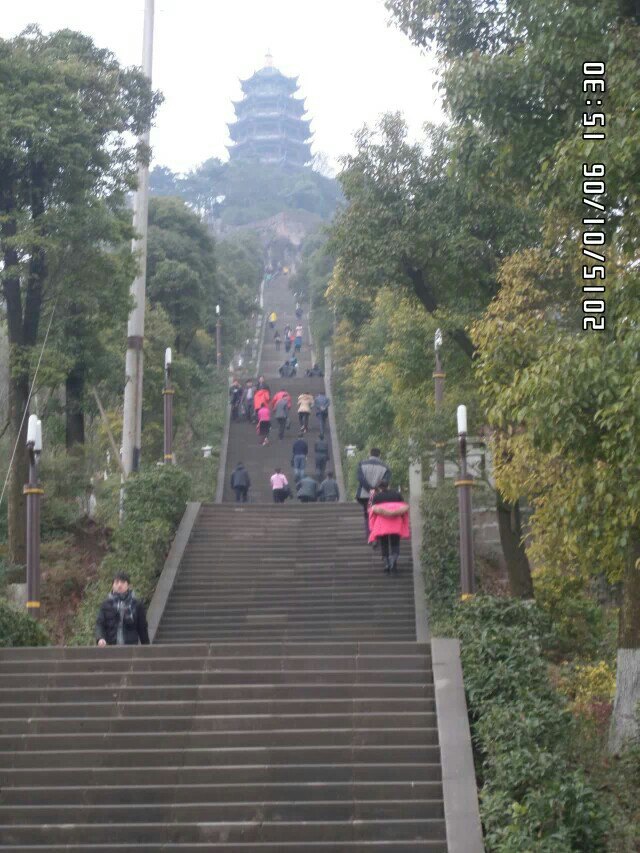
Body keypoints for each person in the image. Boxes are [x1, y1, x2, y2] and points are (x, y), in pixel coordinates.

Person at [96, 572, 149, 646]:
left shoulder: (137, 604)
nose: (119, 585)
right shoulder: (106, 604)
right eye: (116, 582)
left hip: (130, 647)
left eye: (123, 582)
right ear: (112, 585)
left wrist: (146, 647)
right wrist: (100, 638)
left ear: (128, 585)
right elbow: (100, 623)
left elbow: (142, 628)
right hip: (111, 646)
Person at [369, 485, 410, 574]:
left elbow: (372, 511)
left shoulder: (377, 497)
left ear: (379, 488)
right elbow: (403, 508)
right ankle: (393, 563)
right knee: (395, 543)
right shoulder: (397, 495)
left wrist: (372, 527)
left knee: (384, 543)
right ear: (389, 485)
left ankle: (386, 564)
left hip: (382, 524)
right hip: (396, 523)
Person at [356, 449, 391, 541]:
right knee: (377, 515)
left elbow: (360, 478)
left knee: (368, 515)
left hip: (364, 495)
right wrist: (375, 488)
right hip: (378, 495)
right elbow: (385, 482)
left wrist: (369, 488)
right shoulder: (385, 467)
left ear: (369, 454)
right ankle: (376, 534)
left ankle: (371, 536)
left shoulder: (362, 464)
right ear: (379, 455)